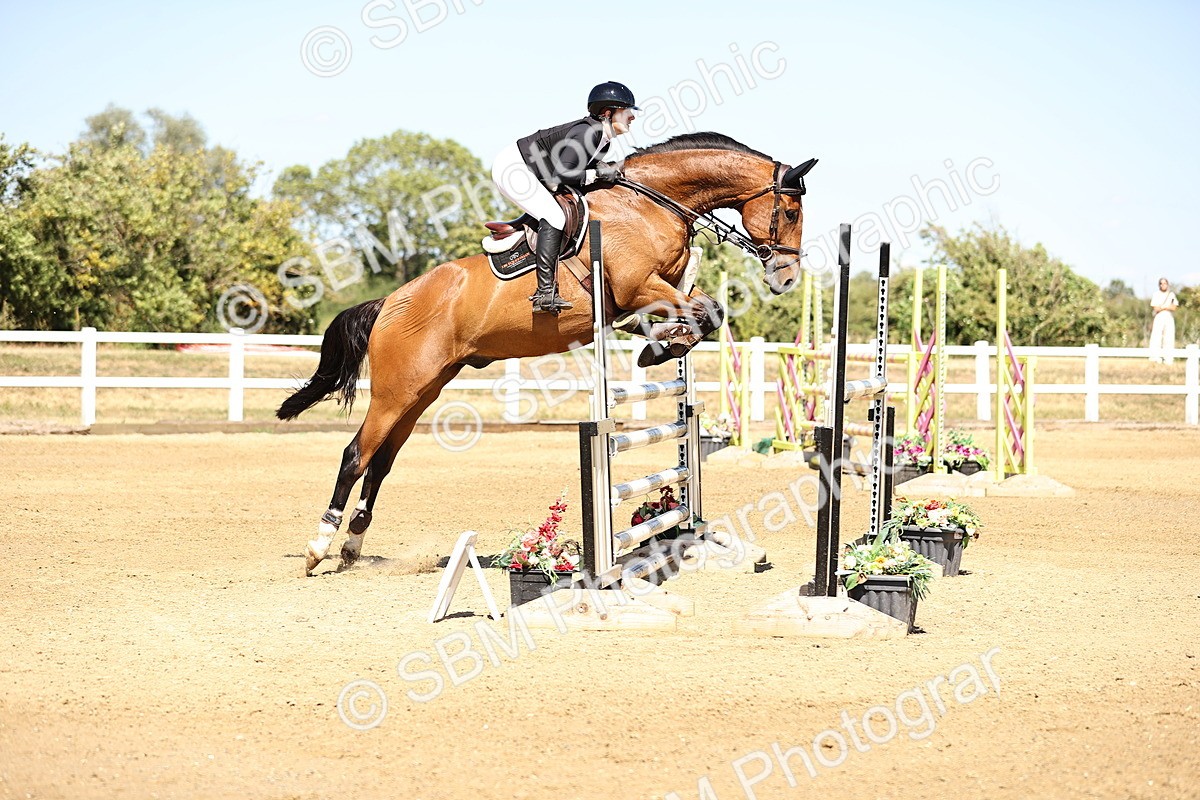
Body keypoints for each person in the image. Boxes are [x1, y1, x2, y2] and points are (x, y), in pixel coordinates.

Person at [491, 81, 638, 314]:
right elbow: (563, 174)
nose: (632, 117)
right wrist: (599, 173)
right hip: (515, 169)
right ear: (608, 113)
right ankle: (544, 293)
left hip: (535, 172)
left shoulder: (603, 141)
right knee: (554, 217)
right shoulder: (588, 132)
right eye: (627, 111)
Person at [1148, 277, 1180, 363]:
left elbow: (1174, 307)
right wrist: (1165, 307)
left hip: (1168, 316)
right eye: (1161, 283)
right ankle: (1155, 357)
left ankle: (1168, 359)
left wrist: (1164, 307)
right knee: (1156, 337)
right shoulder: (1156, 294)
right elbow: (1156, 308)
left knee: (1169, 337)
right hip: (1159, 316)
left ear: (1167, 284)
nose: (1163, 285)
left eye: (1165, 283)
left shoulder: (1171, 295)